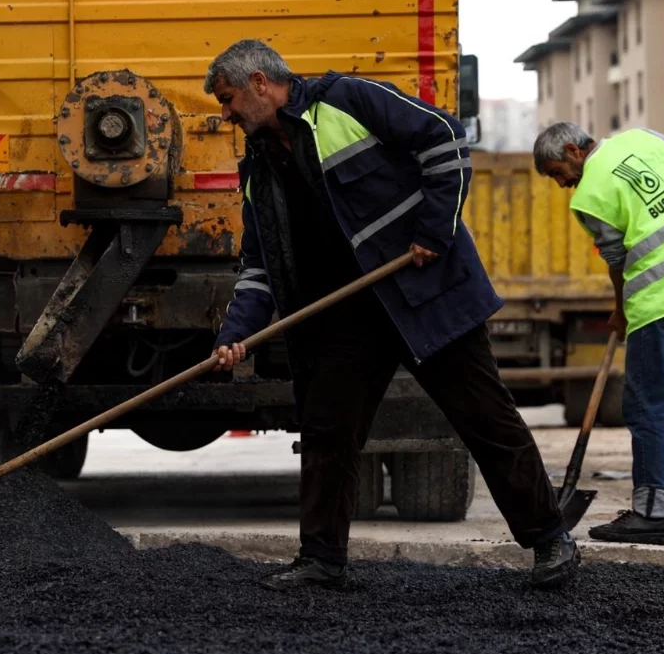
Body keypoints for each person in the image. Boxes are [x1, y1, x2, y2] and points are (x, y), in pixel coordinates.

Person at [205, 39, 577, 590]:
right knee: (328, 431)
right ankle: (322, 560)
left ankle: (551, 540)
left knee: (484, 417)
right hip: (342, 317)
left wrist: (433, 231)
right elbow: (258, 265)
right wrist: (237, 334)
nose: (227, 114)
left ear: (260, 82)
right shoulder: (259, 169)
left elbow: (446, 138)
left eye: (230, 99)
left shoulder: (348, 100)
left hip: (421, 293)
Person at [532, 122, 664, 546]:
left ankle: (650, 514)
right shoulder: (644, 140)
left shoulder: (590, 197)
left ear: (572, 150)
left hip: (662, 303)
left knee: (647, 408)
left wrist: (620, 310)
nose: (562, 184)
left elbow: (616, 261)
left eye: (557, 172)